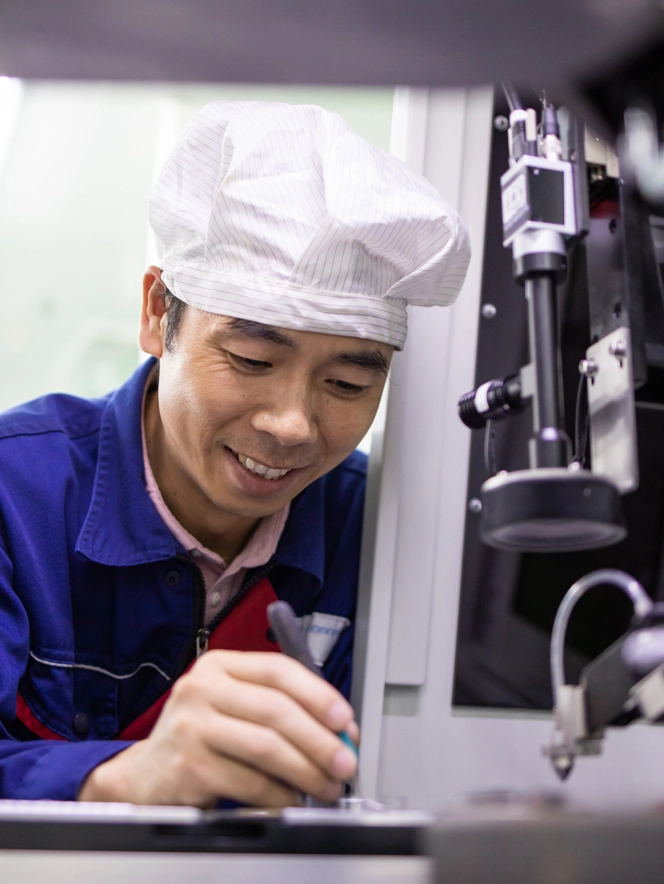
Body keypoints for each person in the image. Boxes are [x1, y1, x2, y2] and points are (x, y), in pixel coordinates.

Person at [0, 101, 470, 806]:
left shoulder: (374, 534)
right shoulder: (17, 495)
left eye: (347, 382)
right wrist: (124, 779)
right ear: (159, 313)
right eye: (252, 359)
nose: (292, 425)